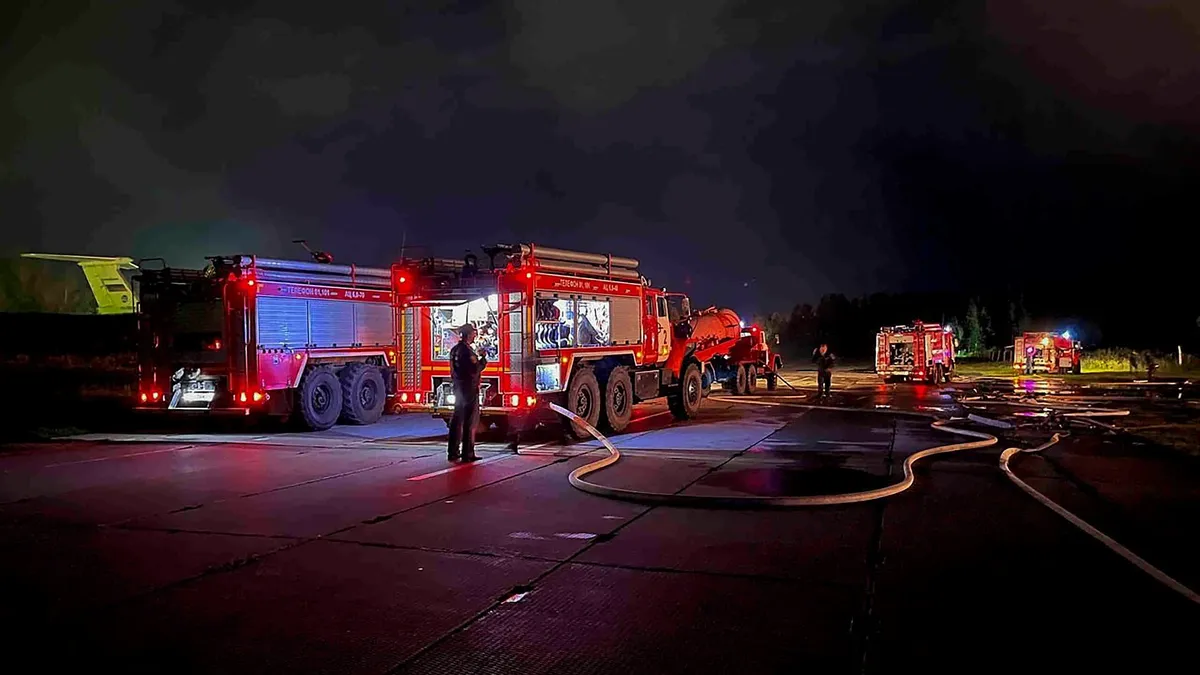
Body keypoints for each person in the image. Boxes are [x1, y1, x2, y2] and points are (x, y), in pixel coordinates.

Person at [448, 323, 486, 462]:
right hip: (469, 389)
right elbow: (474, 369)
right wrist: (483, 359)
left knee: (457, 420)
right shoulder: (467, 352)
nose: (475, 336)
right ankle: (467, 453)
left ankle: (453, 451)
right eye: (473, 333)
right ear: (469, 335)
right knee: (470, 421)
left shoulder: (454, 350)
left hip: (458, 387)